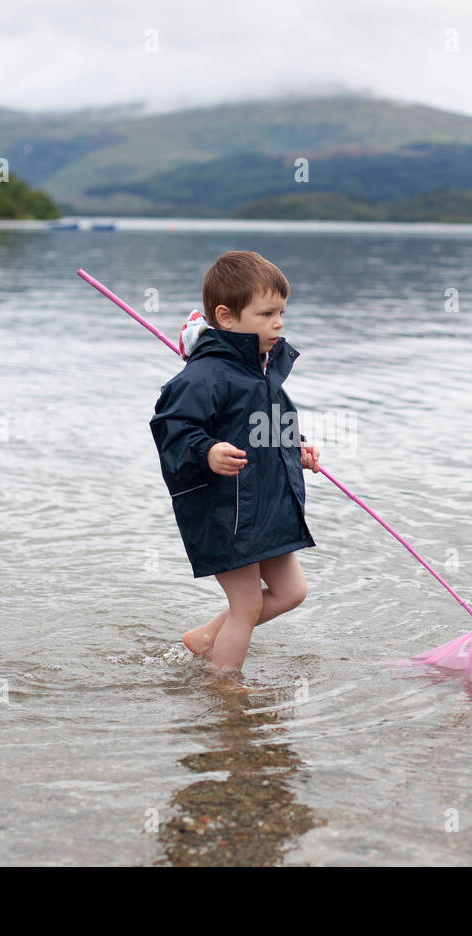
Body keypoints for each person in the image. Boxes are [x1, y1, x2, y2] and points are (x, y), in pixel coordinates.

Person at [150, 251, 320, 676]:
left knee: (291, 591)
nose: (278, 323)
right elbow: (172, 427)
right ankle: (226, 690)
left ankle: (206, 637)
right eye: (266, 314)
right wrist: (206, 451)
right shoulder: (205, 375)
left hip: (266, 506)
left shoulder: (263, 370)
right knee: (246, 605)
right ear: (226, 317)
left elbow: (265, 425)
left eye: (281, 312)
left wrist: (294, 448)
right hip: (226, 510)